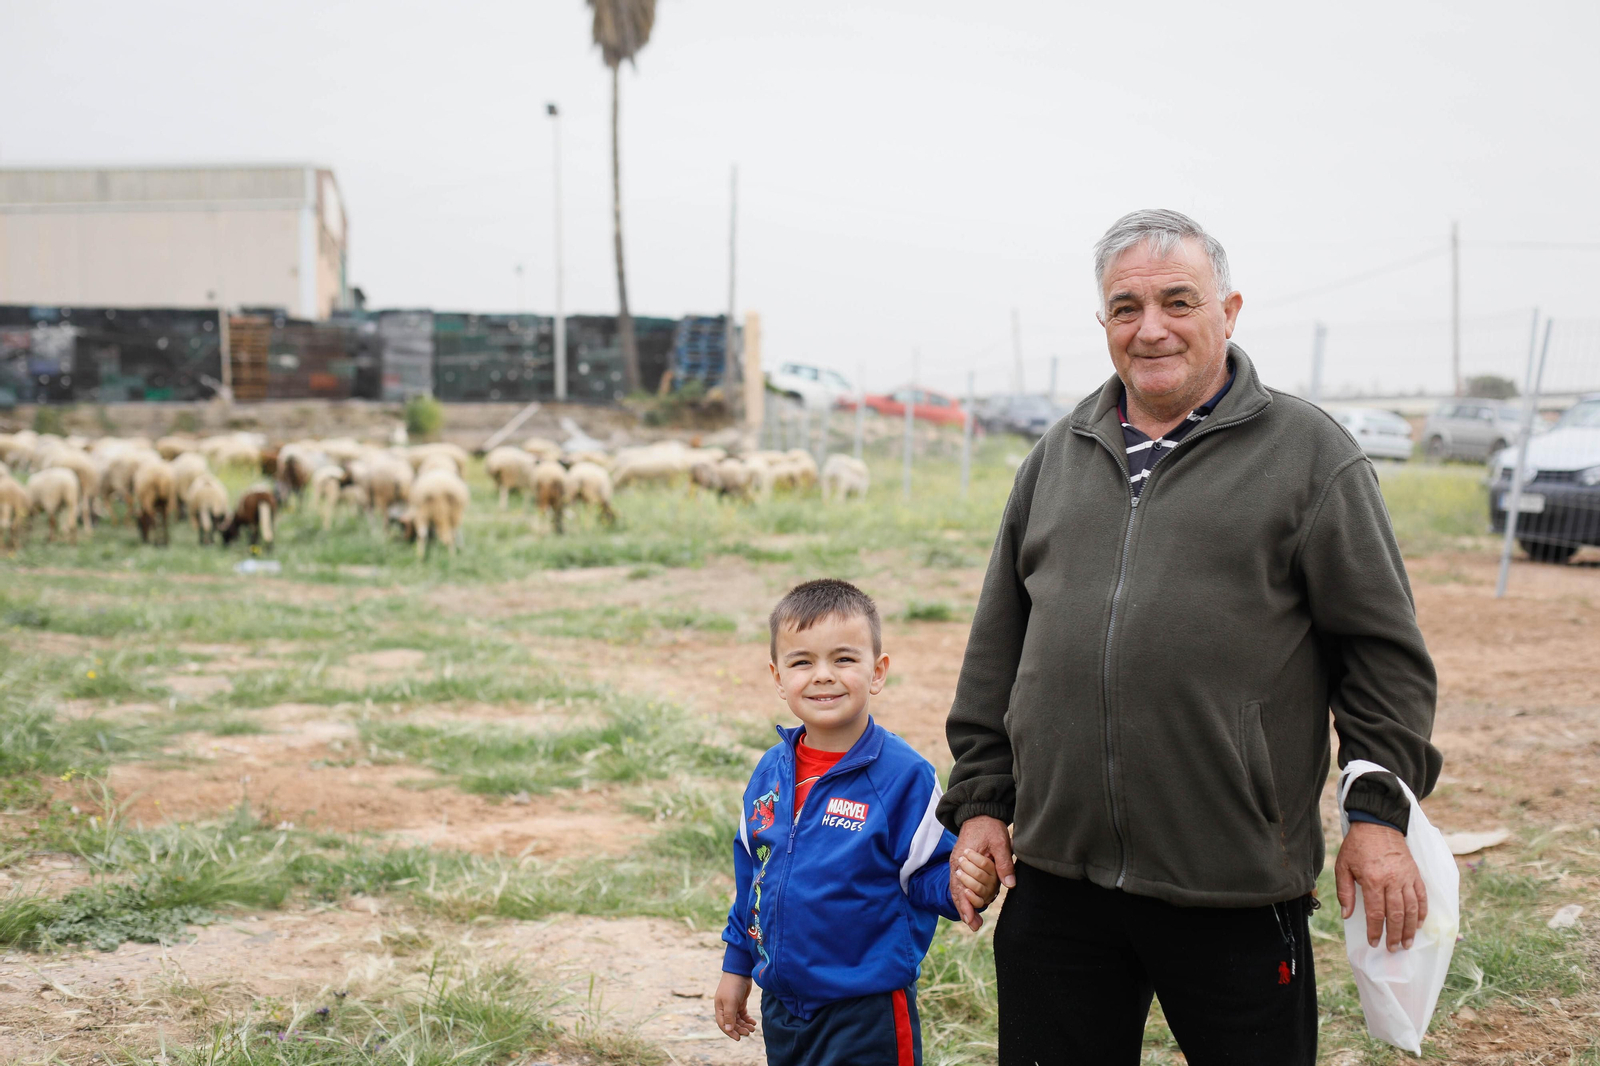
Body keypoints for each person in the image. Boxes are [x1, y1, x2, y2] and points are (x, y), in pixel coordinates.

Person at [939, 209, 1441, 1064]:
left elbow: (1382, 655)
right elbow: (999, 647)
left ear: (1229, 311)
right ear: (1104, 323)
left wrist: (1377, 813)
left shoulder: (1310, 455)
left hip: (1234, 883)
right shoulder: (1057, 457)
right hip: (1057, 879)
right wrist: (983, 801)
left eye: (1178, 301)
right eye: (1126, 308)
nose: (1152, 328)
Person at [717, 578, 1000, 1066]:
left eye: (844, 659)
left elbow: (930, 871)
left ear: (877, 671)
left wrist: (966, 883)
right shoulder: (769, 773)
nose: (823, 676)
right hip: (782, 1004)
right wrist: (736, 965)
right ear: (778, 677)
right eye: (802, 662)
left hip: (867, 1010)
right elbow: (753, 878)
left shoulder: (903, 776)